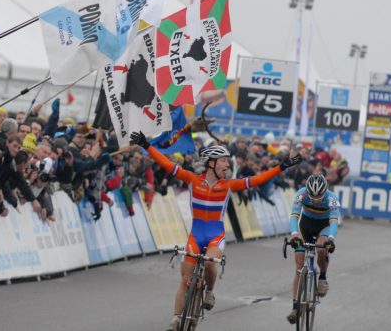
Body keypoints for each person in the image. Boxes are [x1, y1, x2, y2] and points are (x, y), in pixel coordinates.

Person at [129, 131, 302, 331]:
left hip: (215, 237)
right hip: (195, 235)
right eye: (223, 161)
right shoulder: (193, 179)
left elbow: (258, 179)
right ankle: (176, 319)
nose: (227, 165)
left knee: (211, 263)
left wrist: (282, 166)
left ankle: (209, 291)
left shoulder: (228, 185)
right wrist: (146, 145)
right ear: (211, 163)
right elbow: (167, 165)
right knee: (185, 280)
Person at [287, 173, 339, 325]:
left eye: (319, 197)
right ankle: (295, 307)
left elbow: (334, 222)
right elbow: (294, 216)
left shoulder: (332, 198)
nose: (316, 200)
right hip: (306, 225)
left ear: (325, 191)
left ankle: (322, 277)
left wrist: (331, 239)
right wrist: (295, 234)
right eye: (312, 196)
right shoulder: (301, 194)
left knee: (322, 249)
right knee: (298, 265)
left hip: (324, 226)